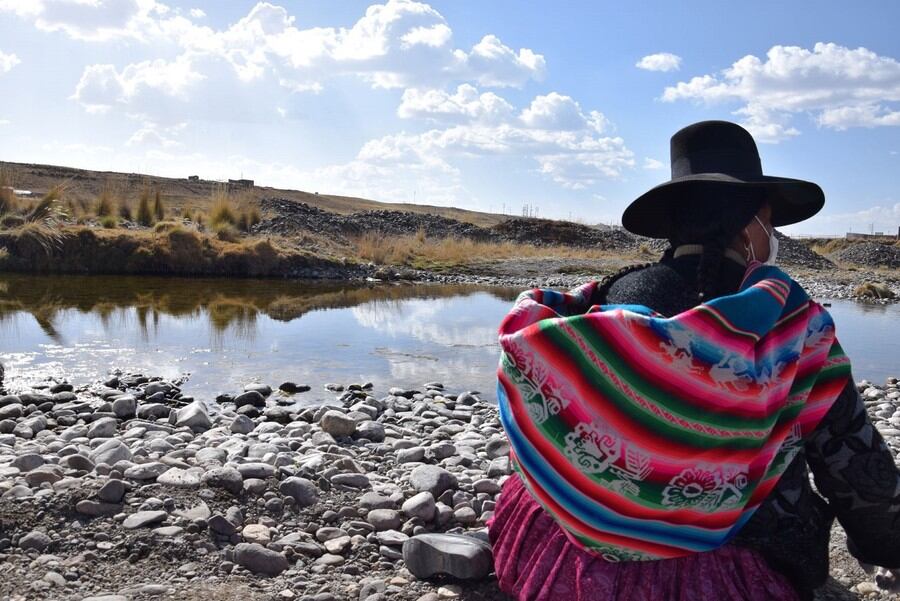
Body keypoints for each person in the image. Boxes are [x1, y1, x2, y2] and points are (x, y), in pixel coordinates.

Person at [488, 121, 900, 601]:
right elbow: (852, 463)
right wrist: (888, 546)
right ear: (752, 225)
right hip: (737, 573)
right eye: (772, 220)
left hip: (575, 561)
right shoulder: (792, 326)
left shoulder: (606, 299)